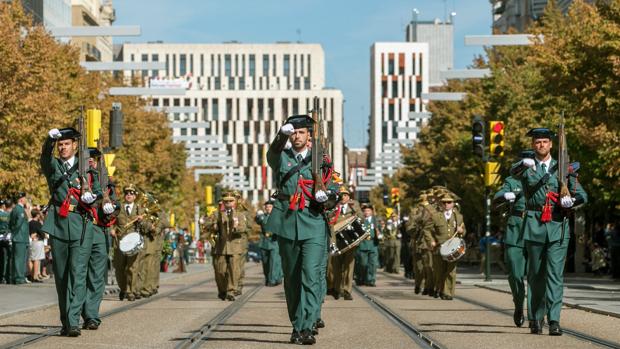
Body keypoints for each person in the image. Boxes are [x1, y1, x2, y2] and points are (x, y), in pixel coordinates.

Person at [510, 127, 587, 335]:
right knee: (535, 275)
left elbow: (582, 195)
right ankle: (535, 317)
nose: (541, 145)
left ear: (551, 144)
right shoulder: (527, 167)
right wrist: (523, 164)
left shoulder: (563, 168)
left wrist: (571, 201)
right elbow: (513, 173)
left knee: (555, 276)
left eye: (544, 141)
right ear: (532, 145)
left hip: (558, 226)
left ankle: (554, 321)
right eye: (537, 142)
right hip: (534, 224)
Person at [265, 114, 331, 345]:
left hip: (313, 223)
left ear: (309, 136)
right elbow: (272, 153)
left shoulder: (321, 159)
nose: (296, 136)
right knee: (292, 279)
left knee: (311, 277)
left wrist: (326, 196)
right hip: (286, 221)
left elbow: (333, 189)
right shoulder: (282, 158)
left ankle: (307, 326)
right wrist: (280, 135)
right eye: (293, 132)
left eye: (301, 132)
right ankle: (296, 324)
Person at [40, 127, 102, 337]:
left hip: (81, 225)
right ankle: (66, 321)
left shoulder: (86, 168)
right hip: (58, 224)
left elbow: (99, 191)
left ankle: (74, 321)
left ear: (75, 145)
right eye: (60, 144)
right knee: (62, 277)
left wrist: (92, 198)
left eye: (66, 144)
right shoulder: (54, 165)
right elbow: (44, 157)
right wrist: (49, 140)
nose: (62, 147)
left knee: (78, 274)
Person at [493, 150, 534, 327]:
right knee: (515, 274)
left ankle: (534, 315)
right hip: (516, 229)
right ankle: (518, 304)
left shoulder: (544, 178)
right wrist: (504, 196)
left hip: (536, 228)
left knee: (536, 276)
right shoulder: (512, 181)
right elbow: (497, 197)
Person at [82, 148, 119, 330]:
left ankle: (92, 315)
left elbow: (115, 204)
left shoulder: (106, 183)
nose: (90, 162)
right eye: (87, 159)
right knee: (80, 275)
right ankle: (79, 310)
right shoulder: (77, 178)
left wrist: (110, 209)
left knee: (97, 276)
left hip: (98, 230)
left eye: (93, 159)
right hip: (80, 230)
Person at [424, 192, 465, 300]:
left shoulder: (459, 217)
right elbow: (427, 230)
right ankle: (440, 289)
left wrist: (461, 231)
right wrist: (431, 241)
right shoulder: (435, 216)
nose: (446, 204)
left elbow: (463, 231)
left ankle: (448, 293)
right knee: (439, 271)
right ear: (441, 204)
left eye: (449, 202)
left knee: (451, 271)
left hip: (452, 249)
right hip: (439, 248)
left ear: (453, 203)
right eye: (444, 202)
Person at [114, 185, 151, 301]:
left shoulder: (140, 209)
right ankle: (123, 288)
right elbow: (112, 221)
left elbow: (147, 227)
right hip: (119, 242)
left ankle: (131, 291)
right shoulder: (118, 207)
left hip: (134, 242)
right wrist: (111, 230)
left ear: (135, 196)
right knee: (119, 268)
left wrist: (142, 221)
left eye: (131, 193)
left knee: (132, 268)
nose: (128, 195)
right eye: (127, 193)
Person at [212, 192, 249, 301]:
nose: (228, 203)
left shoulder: (240, 215)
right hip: (221, 247)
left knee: (234, 270)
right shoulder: (217, 214)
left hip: (235, 246)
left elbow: (243, 229)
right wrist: (213, 225)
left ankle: (231, 291)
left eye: (231, 201)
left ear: (235, 202)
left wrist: (236, 227)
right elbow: (211, 228)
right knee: (220, 271)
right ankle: (222, 290)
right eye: (226, 201)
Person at [327, 186, 360, 300]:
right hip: (336, 240)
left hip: (350, 241)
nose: (343, 197)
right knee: (335, 267)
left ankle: (347, 290)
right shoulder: (334, 207)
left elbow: (361, 220)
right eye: (341, 195)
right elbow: (329, 221)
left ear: (349, 197)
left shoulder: (354, 207)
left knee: (349, 267)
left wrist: (355, 209)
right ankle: (337, 289)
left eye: (345, 195)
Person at [408, 191, 435, 295]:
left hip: (428, 242)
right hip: (417, 242)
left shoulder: (434, 211)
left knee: (428, 266)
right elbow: (409, 228)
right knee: (418, 268)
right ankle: (418, 284)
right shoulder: (414, 212)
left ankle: (428, 287)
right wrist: (416, 229)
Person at [255, 200, 283, 287]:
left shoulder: (278, 217)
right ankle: (268, 278)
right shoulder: (263, 216)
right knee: (265, 262)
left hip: (274, 242)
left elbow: (281, 228)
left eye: (270, 207)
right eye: (266, 207)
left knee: (274, 262)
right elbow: (257, 220)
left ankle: (273, 280)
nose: (268, 208)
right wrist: (257, 215)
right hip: (264, 242)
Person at [355, 204, 380, 287]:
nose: (367, 212)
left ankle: (371, 280)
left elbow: (379, 230)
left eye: (368, 210)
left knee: (373, 264)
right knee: (363, 264)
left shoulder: (375, 220)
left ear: (372, 212)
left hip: (373, 244)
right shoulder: (360, 220)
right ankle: (361, 279)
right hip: (363, 244)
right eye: (365, 211)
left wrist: (379, 233)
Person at [10, 192, 30, 284]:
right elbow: (15, 224)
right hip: (19, 237)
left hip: (23, 237)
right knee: (19, 259)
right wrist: (14, 234)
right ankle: (18, 277)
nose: (26, 200)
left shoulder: (21, 209)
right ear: (21, 199)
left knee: (22, 258)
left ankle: (21, 276)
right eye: (25, 198)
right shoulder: (18, 209)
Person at [28, 209, 46, 283]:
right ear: (37, 215)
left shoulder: (29, 223)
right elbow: (42, 233)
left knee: (31, 259)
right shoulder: (38, 223)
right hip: (38, 242)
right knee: (36, 259)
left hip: (31, 241)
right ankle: (35, 276)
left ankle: (31, 275)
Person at [0, 199, 12, 284]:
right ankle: (4, 276)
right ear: (3, 206)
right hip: (5, 237)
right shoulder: (7, 214)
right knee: (5, 258)